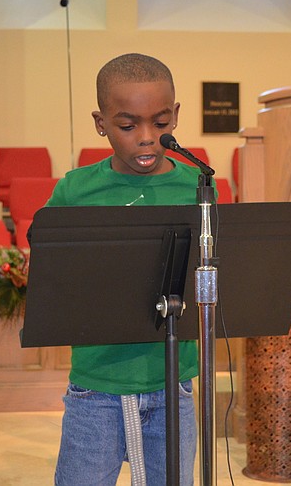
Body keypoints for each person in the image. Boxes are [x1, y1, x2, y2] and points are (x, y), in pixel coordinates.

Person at [48, 53, 200, 485]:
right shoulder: (75, 190)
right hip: (97, 384)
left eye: (161, 122)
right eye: (128, 126)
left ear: (176, 116)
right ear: (101, 123)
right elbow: (49, 269)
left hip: (173, 383)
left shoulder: (196, 186)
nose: (148, 138)